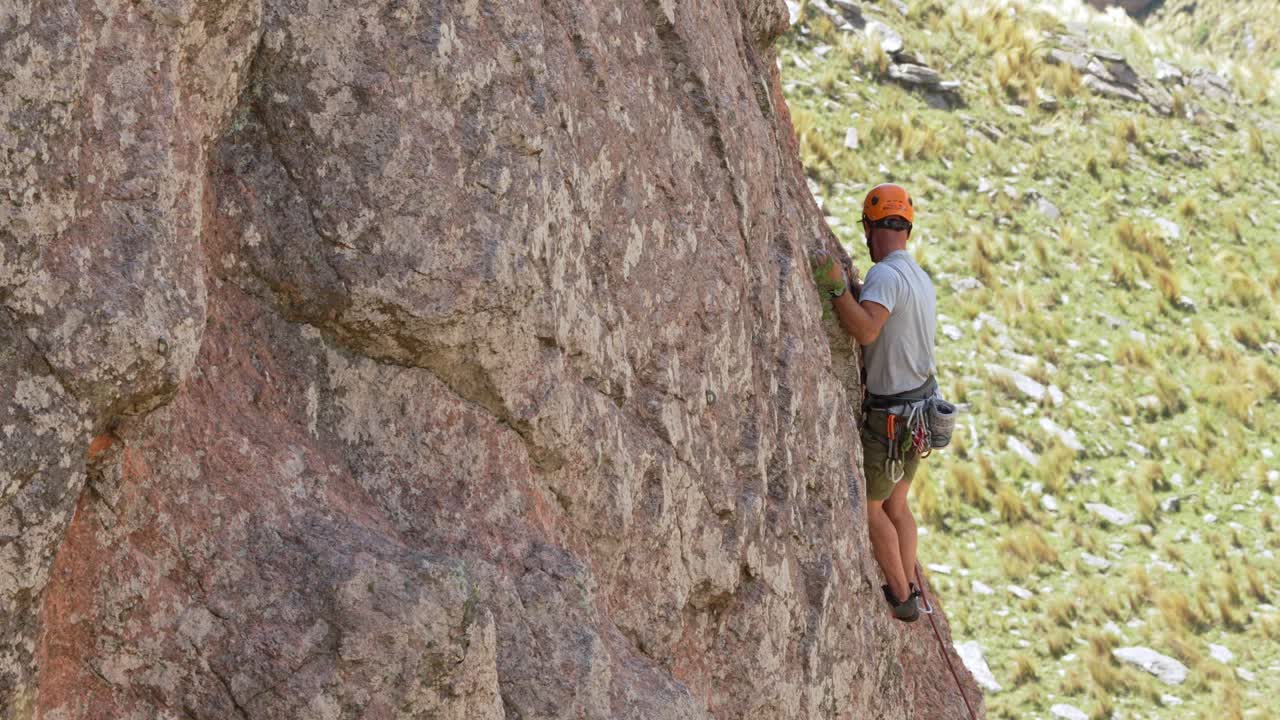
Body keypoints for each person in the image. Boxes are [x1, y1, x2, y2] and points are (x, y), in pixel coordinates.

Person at [814, 183, 938, 622]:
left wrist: (837, 293)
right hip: (919, 414)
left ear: (870, 227)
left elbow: (866, 330)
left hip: (889, 420)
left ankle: (903, 597)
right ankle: (912, 585)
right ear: (905, 227)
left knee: (870, 510)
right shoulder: (919, 277)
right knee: (897, 507)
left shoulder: (885, 275)